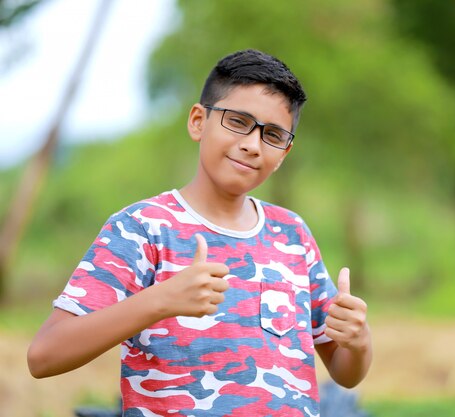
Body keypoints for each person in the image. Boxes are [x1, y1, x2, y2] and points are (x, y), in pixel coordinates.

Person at [27, 49, 372, 417]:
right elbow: (44, 356)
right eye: (238, 122)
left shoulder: (292, 234)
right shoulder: (142, 228)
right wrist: (161, 300)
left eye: (272, 135)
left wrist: (358, 341)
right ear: (197, 121)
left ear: (285, 152)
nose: (252, 145)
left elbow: (344, 372)